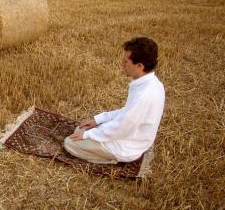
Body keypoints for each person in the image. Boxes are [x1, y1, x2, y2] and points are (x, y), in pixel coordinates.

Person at [63, 36, 165, 164]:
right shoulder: (152, 83)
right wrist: (99, 120)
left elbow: (122, 126)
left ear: (139, 65)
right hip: (131, 135)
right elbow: (126, 113)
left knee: (70, 143)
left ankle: (111, 159)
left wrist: (89, 135)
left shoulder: (144, 95)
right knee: (80, 130)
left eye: (126, 61)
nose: (122, 64)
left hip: (128, 147)